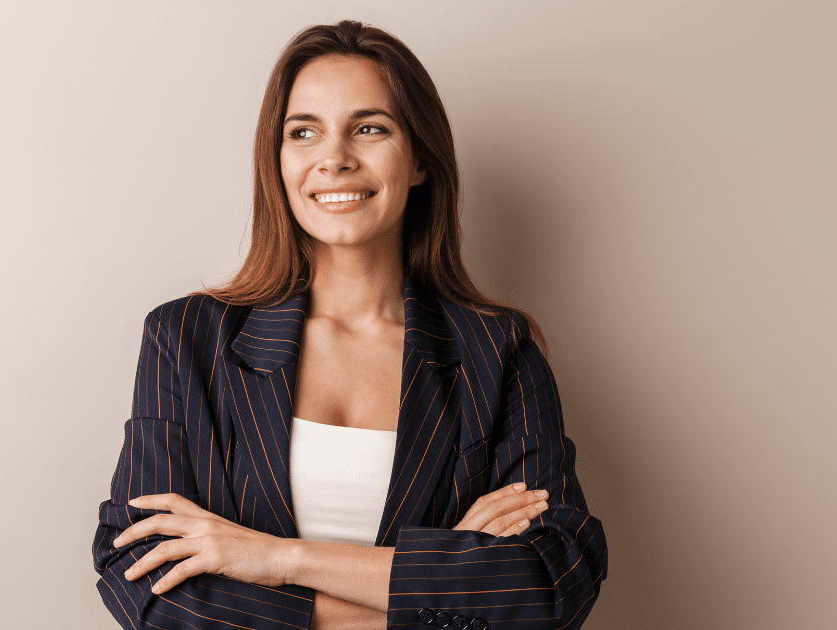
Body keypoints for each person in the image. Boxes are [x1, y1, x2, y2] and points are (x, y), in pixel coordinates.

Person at [93, 20, 607, 630]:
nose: (333, 158)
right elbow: (144, 582)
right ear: (277, 160)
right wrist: (429, 595)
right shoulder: (186, 340)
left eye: (369, 128)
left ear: (418, 158)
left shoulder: (498, 354)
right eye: (303, 132)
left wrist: (276, 559)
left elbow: (549, 584)